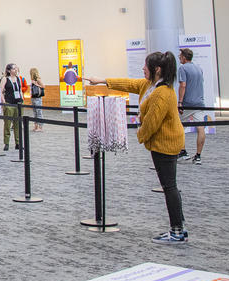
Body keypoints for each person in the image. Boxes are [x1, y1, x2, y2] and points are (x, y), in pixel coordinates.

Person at [85, 51, 187, 243]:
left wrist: (139, 135)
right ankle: (178, 227)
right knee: (170, 186)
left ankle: (177, 230)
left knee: (169, 187)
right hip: (163, 142)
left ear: (156, 69)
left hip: (166, 144)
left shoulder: (161, 93)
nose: (142, 68)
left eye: (145, 65)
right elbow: (129, 83)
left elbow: (151, 123)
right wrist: (102, 81)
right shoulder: (150, 86)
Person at [176, 49, 206, 164]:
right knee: (200, 128)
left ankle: (183, 151)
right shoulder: (199, 68)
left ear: (184, 57)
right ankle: (198, 156)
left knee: (178, 126)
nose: (179, 58)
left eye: (180, 56)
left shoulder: (182, 68)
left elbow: (183, 85)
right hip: (200, 103)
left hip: (188, 103)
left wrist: (180, 102)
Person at [0, 63, 24, 149]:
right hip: (9, 103)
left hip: (18, 103)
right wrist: (4, 102)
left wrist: (22, 98)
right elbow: (1, 91)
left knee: (18, 124)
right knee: (7, 124)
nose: (16, 70)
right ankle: (6, 143)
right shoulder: (5, 79)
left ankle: (18, 143)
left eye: (16, 68)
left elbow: (20, 90)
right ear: (9, 70)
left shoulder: (18, 79)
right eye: (14, 69)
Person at [28, 67, 45, 132]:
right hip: (33, 97)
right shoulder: (32, 80)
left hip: (38, 98)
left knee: (39, 112)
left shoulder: (38, 79)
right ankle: (36, 126)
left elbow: (43, 86)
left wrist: (37, 84)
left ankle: (40, 127)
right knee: (35, 112)